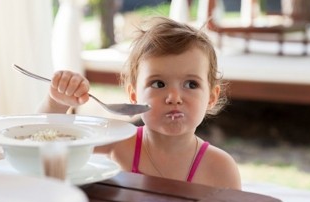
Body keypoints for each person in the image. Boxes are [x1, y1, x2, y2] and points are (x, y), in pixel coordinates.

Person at [39, 17, 241, 190]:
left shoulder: (220, 168)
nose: (174, 97)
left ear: (211, 97)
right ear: (134, 95)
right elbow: (42, 148)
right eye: (158, 83)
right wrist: (56, 104)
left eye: (191, 84)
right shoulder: (117, 145)